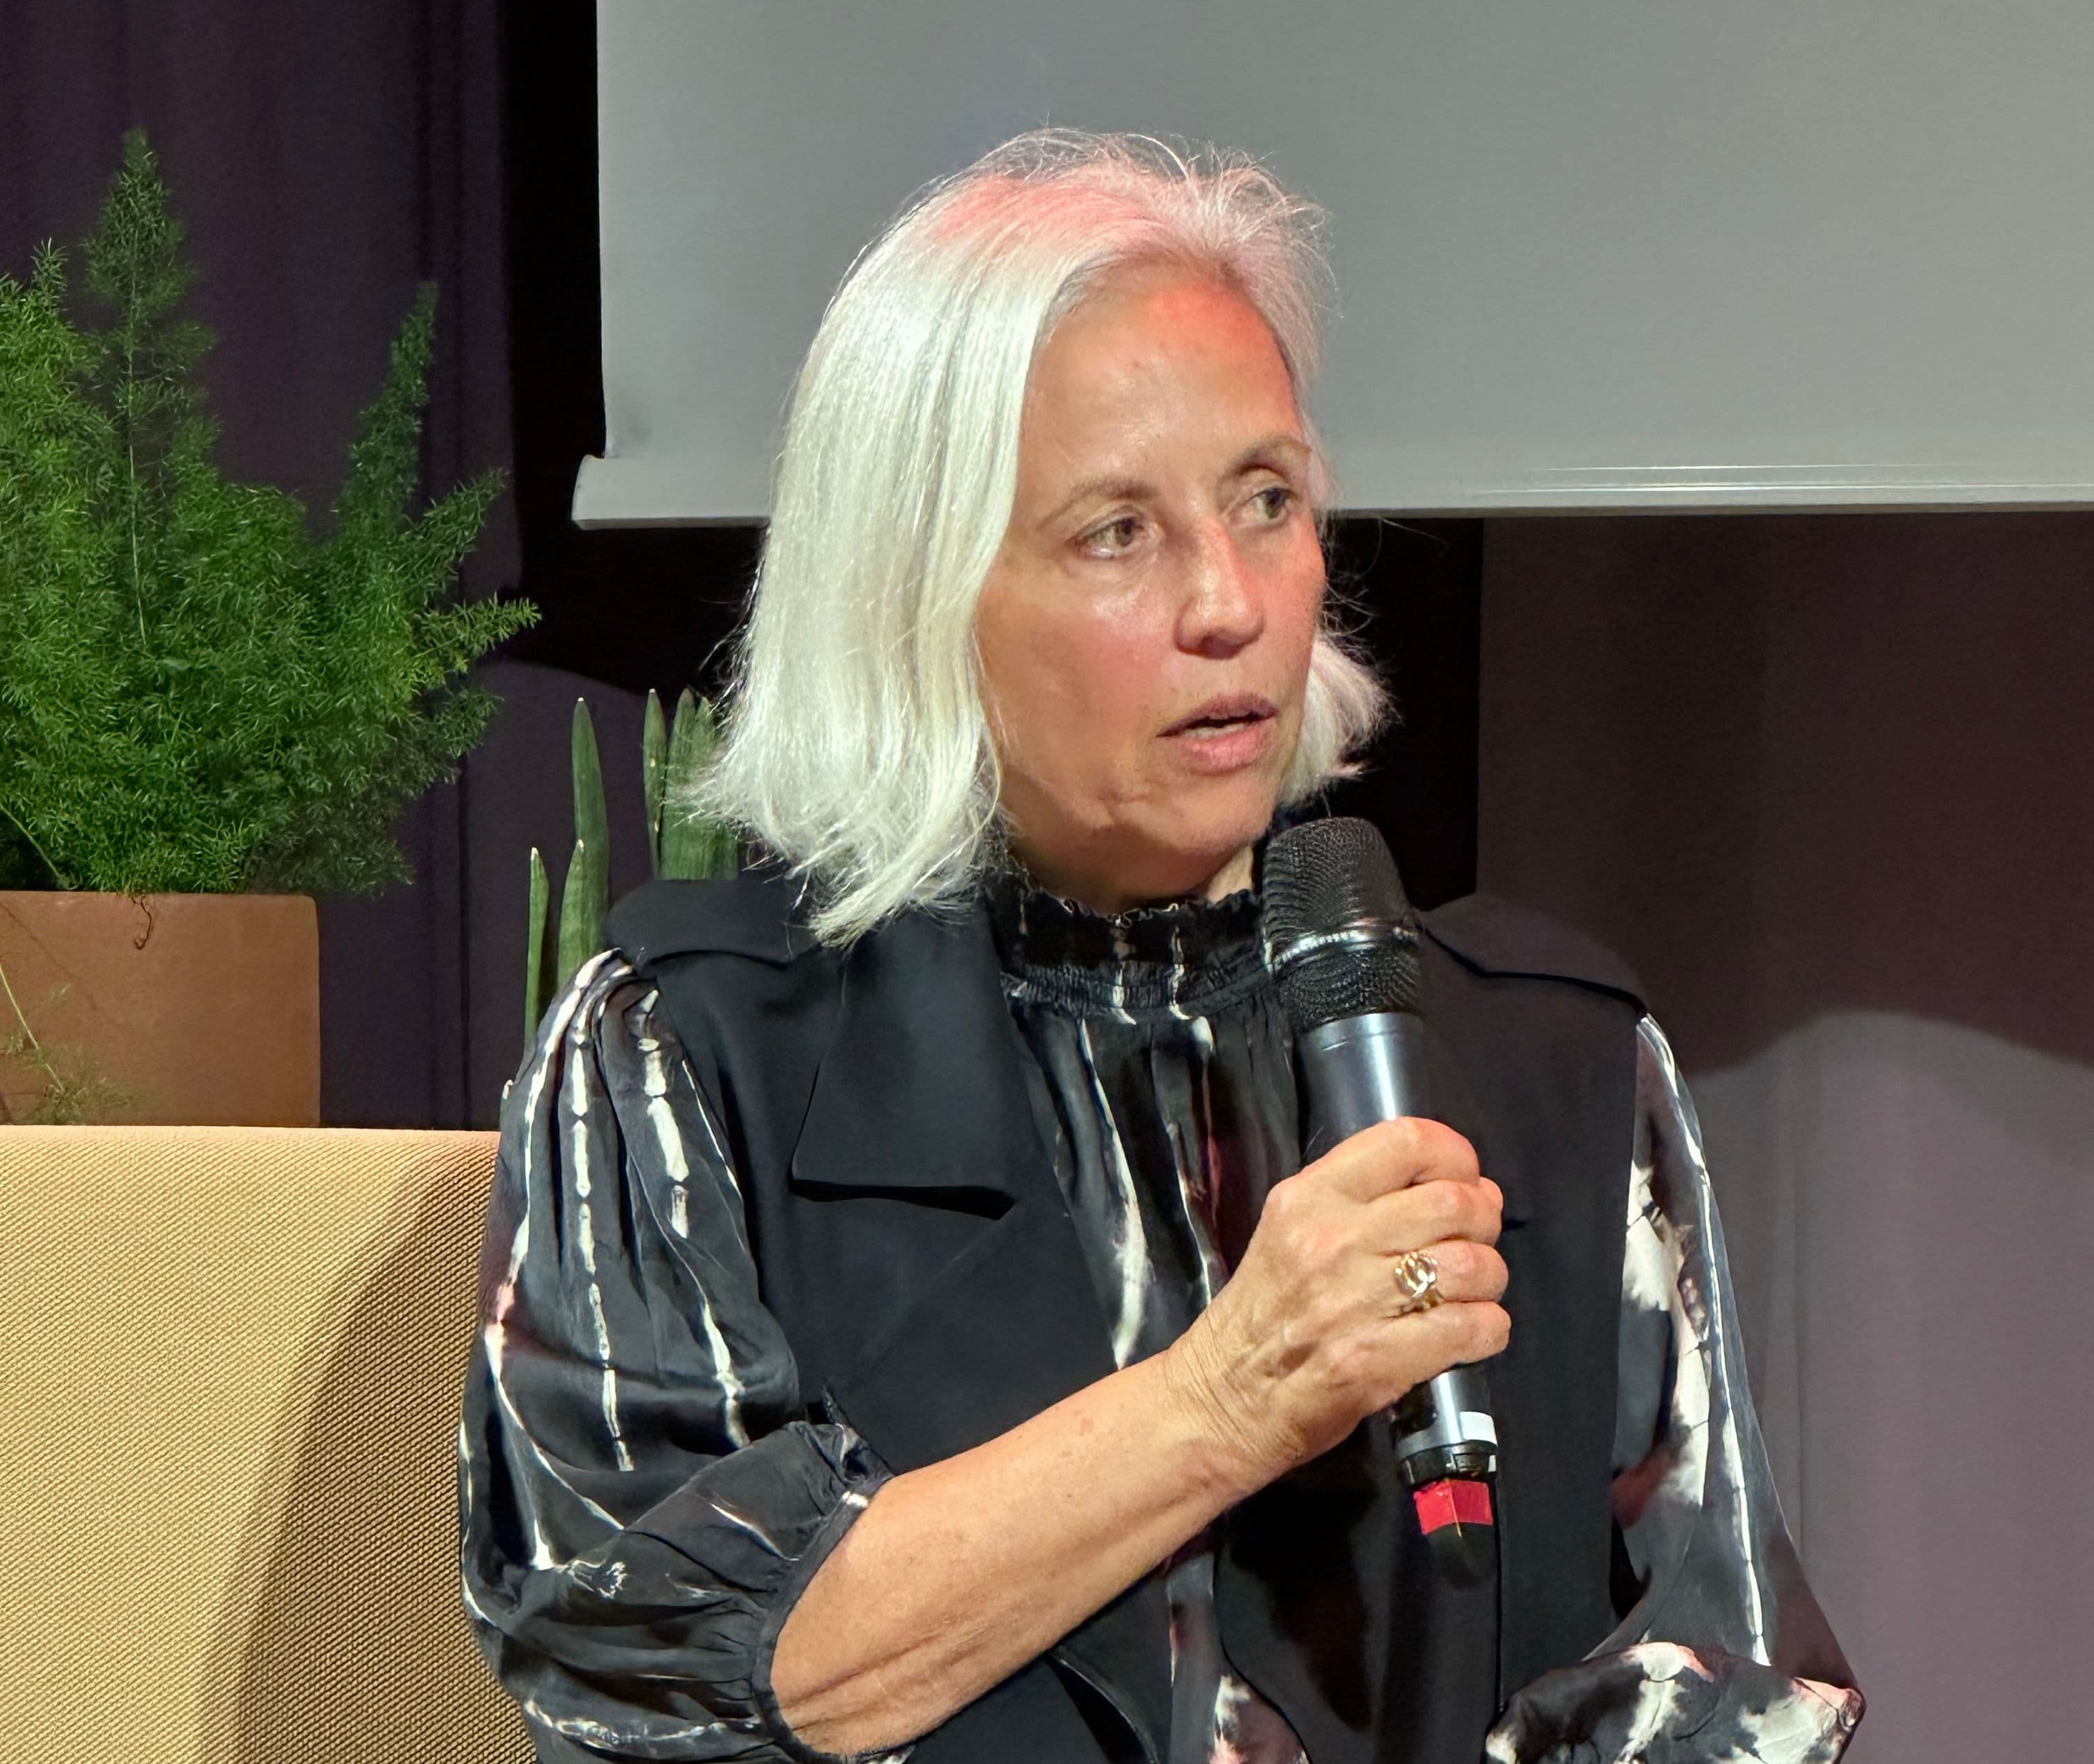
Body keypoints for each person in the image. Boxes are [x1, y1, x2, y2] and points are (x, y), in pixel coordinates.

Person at [458, 130, 1862, 1764]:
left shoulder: (1551, 1054)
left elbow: (1727, 1689)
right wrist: (1227, 1395)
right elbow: (655, 1665)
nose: (1231, 601)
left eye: (1266, 500)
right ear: (912, 593)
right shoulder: (691, 1052)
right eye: (1116, 531)